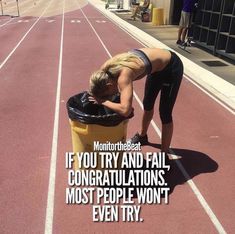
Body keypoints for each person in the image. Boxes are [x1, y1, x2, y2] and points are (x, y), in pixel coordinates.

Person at [89, 48, 183, 154]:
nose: (110, 97)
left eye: (108, 95)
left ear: (109, 85)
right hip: (157, 69)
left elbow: (125, 110)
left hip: (171, 66)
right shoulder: (103, 72)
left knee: (165, 113)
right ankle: (143, 136)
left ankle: (164, 154)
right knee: (147, 104)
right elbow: (124, 103)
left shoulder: (123, 77)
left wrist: (102, 101)